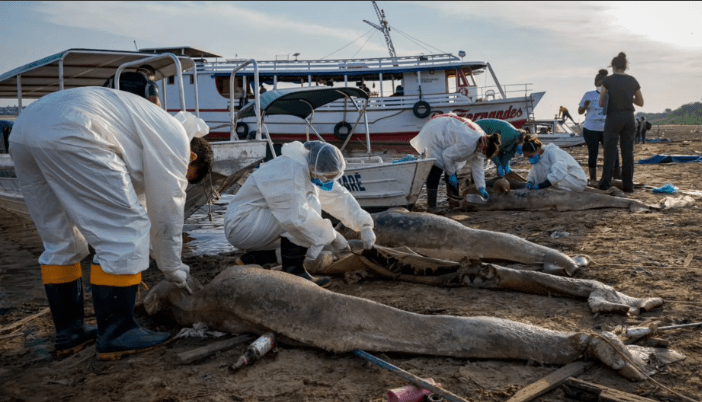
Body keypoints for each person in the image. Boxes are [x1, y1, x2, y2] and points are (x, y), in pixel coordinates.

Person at [9, 86, 213, 360]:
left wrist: (159, 254)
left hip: (25, 129)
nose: (182, 180)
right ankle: (117, 332)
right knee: (125, 233)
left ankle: (69, 333)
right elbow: (167, 211)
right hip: (75, 128)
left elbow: (143, 206)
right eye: (188, 177)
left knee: (61, 240)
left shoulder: (149, 129)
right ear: (192, 158)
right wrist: (173, 269)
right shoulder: (175, 140)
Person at [223, 141, 376, 288]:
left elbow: (338, 197)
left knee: (313, 229)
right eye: (326, 177)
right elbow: (296, 217)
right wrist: (333, 235)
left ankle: (258, 258)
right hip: (243, 225)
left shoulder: (310, 167)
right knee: (310, 208)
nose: (327, 181)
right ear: (312, 166)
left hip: (257, 222)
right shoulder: (289, 172)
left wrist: (365, 224)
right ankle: (294, 271)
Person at [410, 113, 501, 213]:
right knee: (436, 168)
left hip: (447, 130)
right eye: (483, 153)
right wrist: (451, 174)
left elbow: (477, 167)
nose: (482, 156)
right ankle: (431, 206)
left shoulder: (482, 142)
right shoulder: (468, 143)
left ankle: (454, 202)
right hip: (435, 132)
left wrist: (481, 187)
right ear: (483, 147)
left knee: (451, 169)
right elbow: (446, 155)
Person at [598, 52, 644, 193]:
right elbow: (641, 102)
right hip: (629, 117)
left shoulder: (608, 80)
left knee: (610, 152)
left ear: (613, 66)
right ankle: (628, 185)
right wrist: (628, 98)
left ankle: (605, 182)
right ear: (625, 66)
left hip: (614, 117)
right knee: (628, 153)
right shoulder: (632, 80)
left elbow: (601, 102)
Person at [578, 69, 620, 184]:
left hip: (607, 129)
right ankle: (593, 179)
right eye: (600, 84)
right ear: (596, 84)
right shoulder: (589, 95)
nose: (602, 86)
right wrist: (584, 106)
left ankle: (616, 178)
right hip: (591, 129)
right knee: (593, 153)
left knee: (613, 152)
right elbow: (580, 111)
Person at [522, 136, 588, 192]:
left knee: (556, 174)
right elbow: (534, 171)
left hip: (577, 181)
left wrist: (541, 185)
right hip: (565, 180)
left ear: (538, 149)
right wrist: (530, 181)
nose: (529, 159)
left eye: (530, 156)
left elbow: (559, 172)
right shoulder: (539, 156)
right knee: (542, 170)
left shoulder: (552, 152)